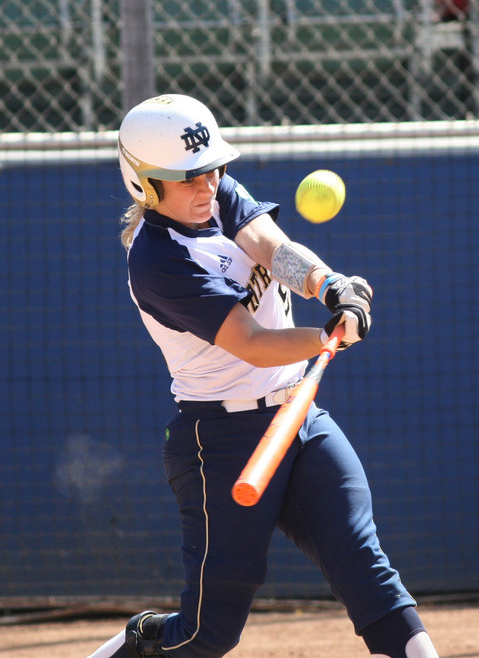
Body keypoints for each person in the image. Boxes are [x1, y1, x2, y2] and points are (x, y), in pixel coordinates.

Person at [87, 94, 440, 658]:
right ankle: (134, 645)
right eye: (188, 179)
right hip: (220, 444)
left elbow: (272, 247)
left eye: (213, 170)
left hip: (300, 417)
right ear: (145, 185)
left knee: (363, 563)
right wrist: (331, 335)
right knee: (207, 635)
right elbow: (251, 345)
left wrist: (331, 288)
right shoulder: (157, 262)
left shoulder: (214, 196)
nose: (209, 186)